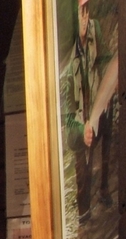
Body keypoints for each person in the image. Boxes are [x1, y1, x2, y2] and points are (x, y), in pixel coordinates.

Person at [64, 0, 119, 221]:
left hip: (101, 107)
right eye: (80, 14)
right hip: (80, 119)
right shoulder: (68, 53)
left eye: (86, 13)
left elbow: (106, 59)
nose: (85, 20)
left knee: (106, 148)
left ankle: (104, 190)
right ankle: (83, 211)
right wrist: (80, 128)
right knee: (81, 166)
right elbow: (67, 111)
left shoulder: (95, 31)